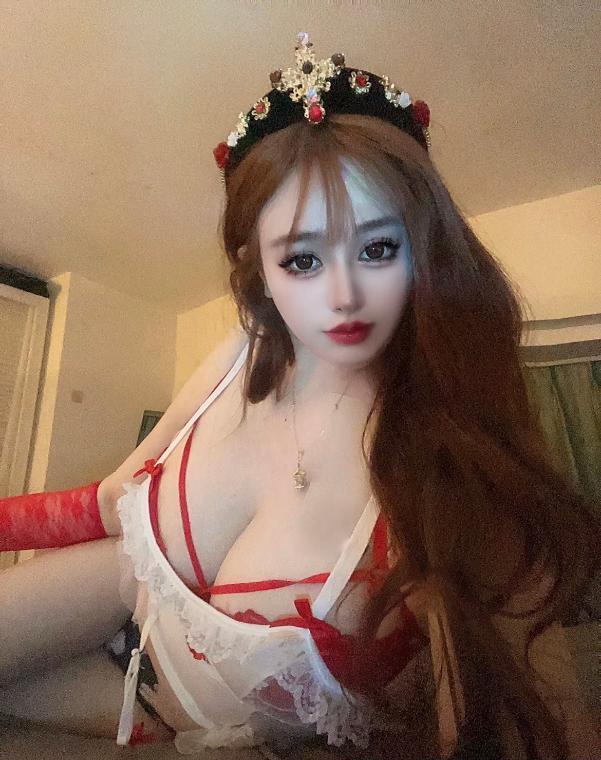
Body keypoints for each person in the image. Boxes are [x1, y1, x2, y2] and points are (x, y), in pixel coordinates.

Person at [1, 31, 600, 760]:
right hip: (118, 597)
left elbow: (520, 724)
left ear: (424, 247)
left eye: (377, 248)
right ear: (257, 266)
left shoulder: (446, 469)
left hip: (164, 715)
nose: (343, 295)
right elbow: (108, 501)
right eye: (303, 259)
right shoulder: (242, 352)